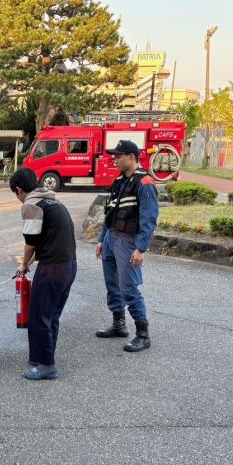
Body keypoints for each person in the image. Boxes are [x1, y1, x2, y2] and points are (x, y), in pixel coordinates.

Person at [11, 167, 77, 380]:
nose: (18, 199)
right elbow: (44, 240)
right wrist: (27, 265)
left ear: (19, 189)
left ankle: (46, 366)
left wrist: (24, 263)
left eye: (16, 194)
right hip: (68, 265)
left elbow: (31, 242)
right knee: (50, 315)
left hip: (52, 268)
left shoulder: (31, 205)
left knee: (38, 315)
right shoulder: (53, 202)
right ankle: (42, 358)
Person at [94, 140, 159, 353]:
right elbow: (110, 213)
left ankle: (143, 334)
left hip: (128, 241)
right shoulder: (119, 181)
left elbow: (149, 218)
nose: (114, 159)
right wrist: (102, 239)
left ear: (132, 157)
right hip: (111, 238)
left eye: (118, 156)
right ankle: (119, 325)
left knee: (128, 287)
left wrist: (141, 248)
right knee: (112, 285)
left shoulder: (145, 182)